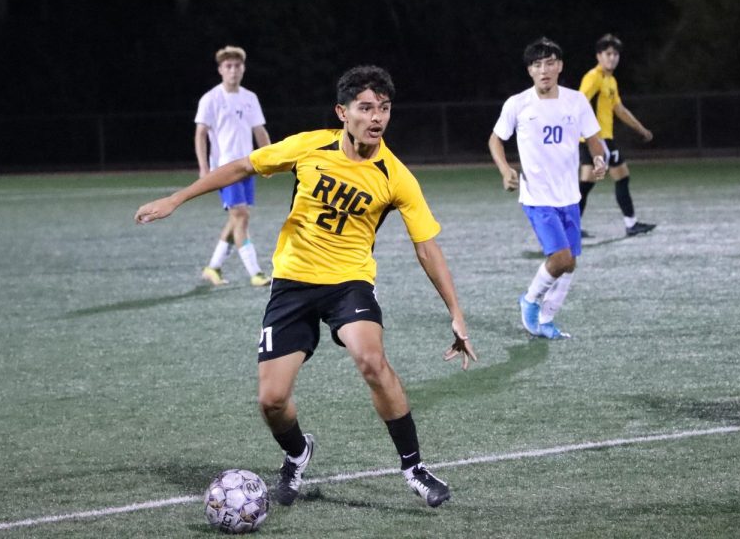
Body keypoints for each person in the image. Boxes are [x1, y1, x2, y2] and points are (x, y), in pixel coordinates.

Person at [136, 65, 477, 508]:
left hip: (348, 283)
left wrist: (456, 311)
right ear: (343, 111)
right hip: (292, 283)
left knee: (371, 359)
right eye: (366, 107)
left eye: (385, 109)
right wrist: (176, 197)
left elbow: (427, 247)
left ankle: (414, 468)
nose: (377, 117)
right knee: (272, 401)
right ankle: (298, 452)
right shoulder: (309, 145)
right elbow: (243, 165)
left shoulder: (396, 176)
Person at [488, 37, 607, 340]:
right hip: (537, 196)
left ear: (560, 66)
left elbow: (593, 136)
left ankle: (547, 319)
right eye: (537, 65)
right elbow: (496, 139)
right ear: (530, 70)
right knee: (562, 259)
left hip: (569, 195)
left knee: (571, 262)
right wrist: (505, 170)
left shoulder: (576, 101)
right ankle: (529, 300)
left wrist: (598, 158)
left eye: (550, 63)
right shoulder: (518, 104)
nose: (544, 70)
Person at [194, 45, 272, 287]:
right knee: (241, 215)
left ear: (243, 69)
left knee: (236, 219)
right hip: (225, 169)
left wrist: (270, 159)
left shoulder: (250, 98)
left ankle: (212, 267)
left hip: (248, 166)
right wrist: (204, 168)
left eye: (237, 66)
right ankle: (256, 273)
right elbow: (200, 134)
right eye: (228, 66)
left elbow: (259, 131)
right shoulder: (211, 99)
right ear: (220, 70)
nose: (233, 70)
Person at [578, 34, 656, 238]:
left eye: (615, 54)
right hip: (597, 139)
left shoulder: (610, 80)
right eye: (608, 54)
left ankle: (570, 227)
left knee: (587, 183)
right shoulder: (593, 77)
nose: (612, 58)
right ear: (599, 56)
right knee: (620, 176)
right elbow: (579, 103)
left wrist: (641, 129)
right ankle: (631, 224)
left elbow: (619, 109)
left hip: (597, 139)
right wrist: (591, 135)